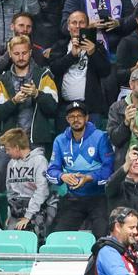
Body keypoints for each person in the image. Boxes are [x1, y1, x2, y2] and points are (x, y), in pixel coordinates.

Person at [47, 101, 114, 238]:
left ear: (86, 118)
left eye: (79, 116)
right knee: (56, 236)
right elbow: (51, 170)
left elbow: (109, 170)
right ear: (67, 119)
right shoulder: (60, 140)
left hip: (99, 197)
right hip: (74, 198)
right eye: (72, 116)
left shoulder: (100, 137)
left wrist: (88, 178)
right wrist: (62, 176)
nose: (76, 119)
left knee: (102, 237)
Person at [0, 34, 59, 160]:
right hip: (10, 141)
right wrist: (14, 101)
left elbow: (53, 107)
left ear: (30, 53)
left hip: (36, 140)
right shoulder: (2, 79)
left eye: (24, 53)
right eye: (16, 54)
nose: (21, 57)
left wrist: (37, 94)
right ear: (10, 54)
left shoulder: (44, 75)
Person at [50, 10, 113, 122]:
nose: (78, 26)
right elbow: (54, 69)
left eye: (82, 22)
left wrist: (93, 53)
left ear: (88, 26)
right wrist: (71, 56)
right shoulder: (59, 46)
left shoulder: (97, 47)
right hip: (64, 107)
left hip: (91, 109)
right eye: (74, 23)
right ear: (68, 26)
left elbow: (105, 72)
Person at [0, 127, 56, 242]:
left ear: (17, 147)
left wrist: (28, 216)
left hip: (39, 208)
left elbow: (42, 191)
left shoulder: (39, 161)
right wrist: (10, 214)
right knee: (9, 239)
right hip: (18, 209)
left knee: (30, 235)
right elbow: (11, 193)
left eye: (8, 149)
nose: (7, 152)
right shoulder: (11, 164)